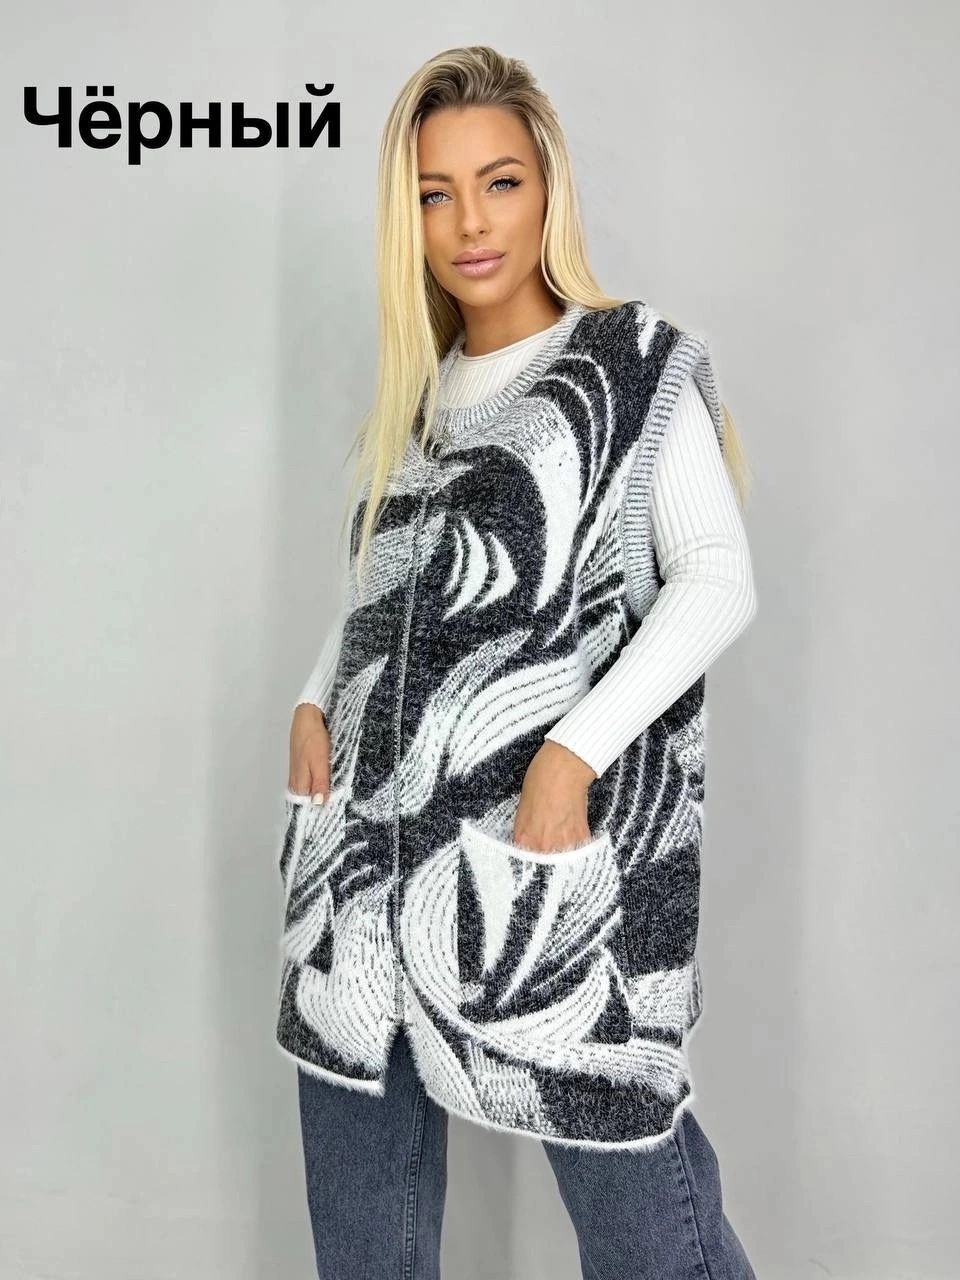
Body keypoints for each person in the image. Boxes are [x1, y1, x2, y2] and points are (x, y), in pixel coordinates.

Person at [278, 44, 758, 1279]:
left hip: (536, 869)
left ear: (548, 187)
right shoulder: (421, 395)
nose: (471, 222)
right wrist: (312, 697)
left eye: (499, 182)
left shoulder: (630, 363)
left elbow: (717, 578)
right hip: (361, 872)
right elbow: (383, 590)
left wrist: (569, 753)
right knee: (362, 1225)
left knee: (645, 1224)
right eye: (435, 194)